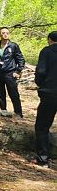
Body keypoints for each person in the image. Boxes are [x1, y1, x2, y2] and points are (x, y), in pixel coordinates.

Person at [34, 31, 57, 167]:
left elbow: (41, 71)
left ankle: (43, 158)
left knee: (42, 126)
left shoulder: (47, 51)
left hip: (50, 93)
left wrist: (41, 84)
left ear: (49, 39)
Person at [0, 27, 25, 117]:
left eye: (7, 33)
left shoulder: (13, 45)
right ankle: (3, 111)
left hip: (10, 72)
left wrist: (18, 70)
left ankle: (18, 112)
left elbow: (20, 59)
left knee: (13, 93)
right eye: (3, 33)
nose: (5, 34)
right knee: (0, 92)